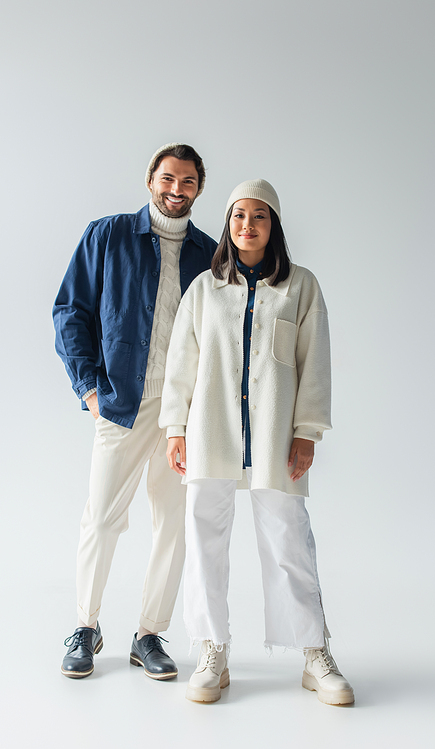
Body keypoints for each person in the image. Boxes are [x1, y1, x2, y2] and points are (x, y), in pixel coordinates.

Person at [159, 179, 355, 705]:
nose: (248, 225)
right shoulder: (203, 289)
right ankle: (211, 648)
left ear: (274, 226)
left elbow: (316, 365)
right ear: (228, 223)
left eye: (259, 216)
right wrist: (175, 429)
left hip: (272, 436)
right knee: (204, 543)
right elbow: (182, 365)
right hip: (211, 430)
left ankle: (315, 652)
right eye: (239, 216)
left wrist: (307, 431)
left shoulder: (302, 287)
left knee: (289, 541)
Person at [53, 143, 217, 680]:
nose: (176, 190)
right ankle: (86, 625)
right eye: (168, 178)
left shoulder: (210, 255)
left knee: (173, 524)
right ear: (150, 179)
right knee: (101, 518)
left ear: (198, 188)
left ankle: (149, 633)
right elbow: (70, 311)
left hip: (182, 417)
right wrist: (89, 388)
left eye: (187, 182)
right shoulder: (106, 236)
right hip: (120, 404)